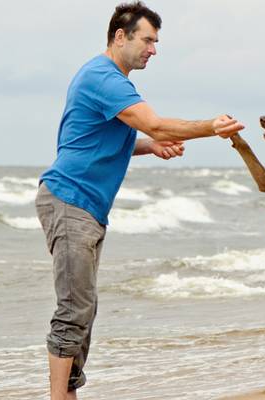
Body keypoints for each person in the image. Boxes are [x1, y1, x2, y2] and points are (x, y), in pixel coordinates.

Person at [35, 2, 245, 399]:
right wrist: (209, 127)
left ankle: (68, 392)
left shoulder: (105, 79)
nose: (153, 49)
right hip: (69, 200)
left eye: (156, 42)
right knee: (74, 308)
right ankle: (59, 396)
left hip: (85, 206)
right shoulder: (105, 77)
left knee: (85, 308)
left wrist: (149, 147)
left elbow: (95, 140)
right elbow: (152, 121)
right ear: (120, 36)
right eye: (148, 40)